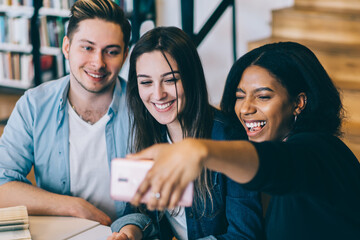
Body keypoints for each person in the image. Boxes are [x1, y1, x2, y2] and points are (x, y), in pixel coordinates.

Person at [127, 42, 360, 239]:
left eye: (263, 96)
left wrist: (200, 151)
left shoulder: (321, 150)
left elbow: (278, 164)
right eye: (240, 96)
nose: (246, 108)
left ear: (298, 103)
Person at [108, 26, 264, 240]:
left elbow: (245, 236)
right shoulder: (149, 132)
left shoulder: (228, 137)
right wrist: (129, 233)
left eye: (170, 80)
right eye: (146, 82)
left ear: (190, 78)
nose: (158, 94)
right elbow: (137, 208)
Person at [0, 0, 131, 225]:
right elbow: (3, 185)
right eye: (87, 47)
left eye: (111, 51)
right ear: (67, 47)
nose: (98, 63)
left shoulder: (144, 106)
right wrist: (73, 206)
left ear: (125, 55)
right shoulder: (33, 105)